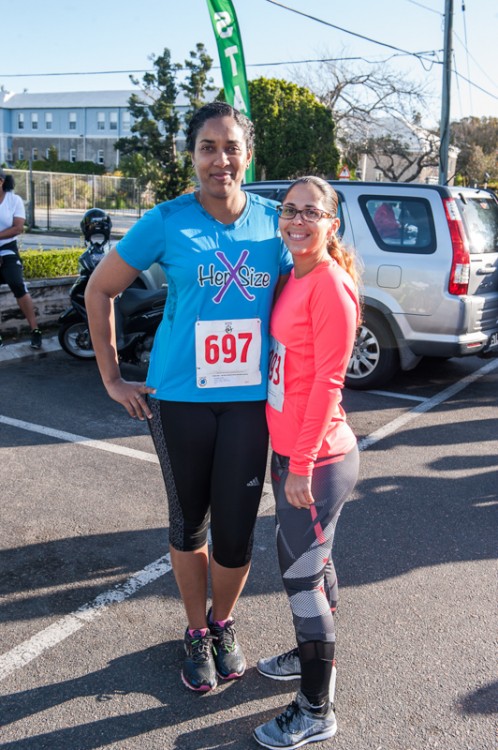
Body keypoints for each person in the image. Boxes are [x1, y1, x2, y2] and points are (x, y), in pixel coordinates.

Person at [85, 102, 292, 693]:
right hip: (179, 400)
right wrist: (112, 378)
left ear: (248, 155)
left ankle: (222, 623)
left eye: (231, 147)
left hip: (250, 403)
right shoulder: (167, 220)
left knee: (237, 529)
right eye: (207, 147)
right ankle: (195, 631)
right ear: (192, 155)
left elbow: (305, 302)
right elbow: (101, 289)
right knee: (189, 523)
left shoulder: (275, 224)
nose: (220, 159)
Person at [253, 176, 361, 749]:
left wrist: (300, 462)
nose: (297, 220)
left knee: (300, 578)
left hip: (316, 460)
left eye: (311, 212)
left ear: (330, 223)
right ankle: (310, 655)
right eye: (290, 210)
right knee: (312, 565)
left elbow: (328, 383)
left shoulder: (331, 285)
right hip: (292, 451)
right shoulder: (294, 276)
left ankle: (316, 709)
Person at [0, 169, 42, 348]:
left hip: (8, 249)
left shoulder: (14, 200)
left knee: (17, 284)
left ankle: (35, 330)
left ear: (1, 181)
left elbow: (18, 228)